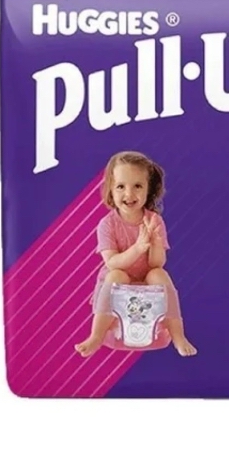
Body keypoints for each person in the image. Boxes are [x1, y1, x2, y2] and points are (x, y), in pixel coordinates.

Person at [75, 151, 197, 358]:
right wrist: (138, 248)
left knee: (159, 274)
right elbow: (112, 263)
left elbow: (157, 263)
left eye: (138, 186)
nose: (129, 194)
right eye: (121, 186)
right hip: (118, 281)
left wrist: (155, 242)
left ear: (148, 189)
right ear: (110, 189)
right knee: (116, 275)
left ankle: (178, 336)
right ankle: (96, 336)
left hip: (146, 281)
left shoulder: (154, 220)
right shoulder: (107, 224)